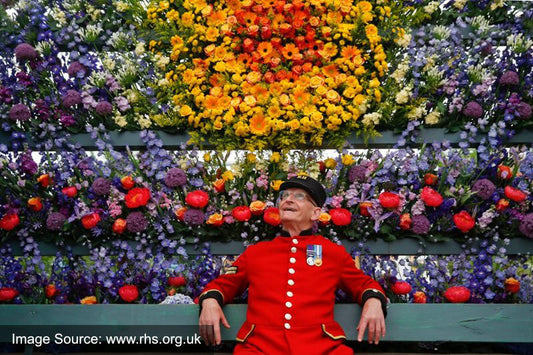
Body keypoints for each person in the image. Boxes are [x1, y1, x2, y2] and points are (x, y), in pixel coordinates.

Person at [199, 176, 387, 354]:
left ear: (315, 213)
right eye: (284, 196)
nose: (288, 200)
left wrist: (373, 300)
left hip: (321, 349)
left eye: (299, 196)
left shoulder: (332, 253)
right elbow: (223, 284)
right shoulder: (255, 253)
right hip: (260, 349)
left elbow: (363, 284)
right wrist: (210, 300)